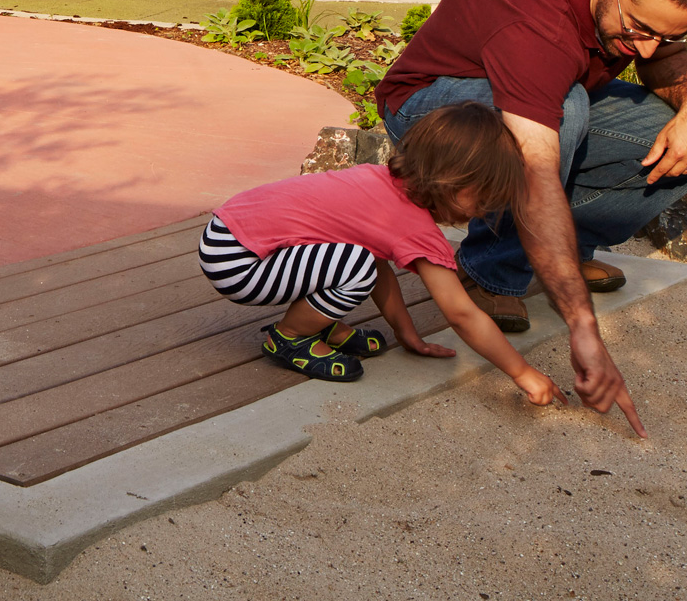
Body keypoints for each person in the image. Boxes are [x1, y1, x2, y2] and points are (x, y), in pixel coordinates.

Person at [376, 0, 687, 438]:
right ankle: (489, 272)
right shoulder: (533, 17)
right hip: (430, 108)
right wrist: (582, 327)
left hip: (547, 94)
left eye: (669, 34)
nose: (645, 50)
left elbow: (662, 52)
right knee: (564, 111)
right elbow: (537, 171)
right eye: (638, 28)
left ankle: (567, 251)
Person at [199, 103, 563, 404]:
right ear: (452, 180)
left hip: (229, 235)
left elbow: (378, 262)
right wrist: (523, 372)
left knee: (357, 260)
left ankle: (317, 324)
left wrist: (406, 333)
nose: (482, 211)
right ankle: (290, 337)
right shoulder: (414, 226)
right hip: (238, 261)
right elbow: (462, 313)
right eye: (482, 198)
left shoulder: (384, 184)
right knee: (355, 267)